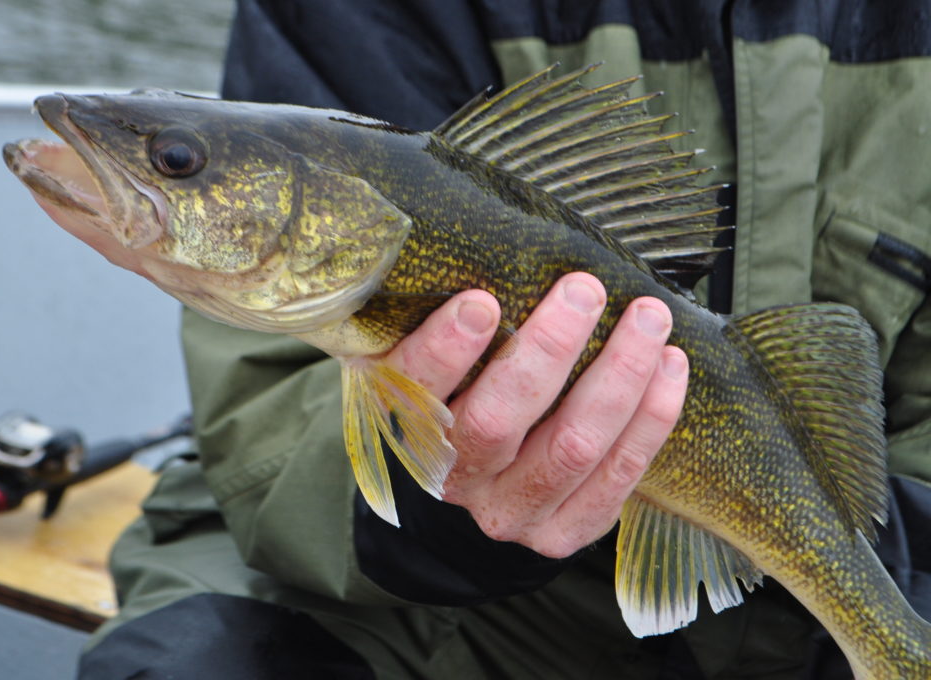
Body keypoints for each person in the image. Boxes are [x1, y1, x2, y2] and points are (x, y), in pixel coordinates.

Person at [78, 2, 931, 678]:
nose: (164, 170)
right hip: (452, 619)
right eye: (182, 160)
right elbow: (266, 421)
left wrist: (872, 555)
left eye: (175, 161)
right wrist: (438, 504)